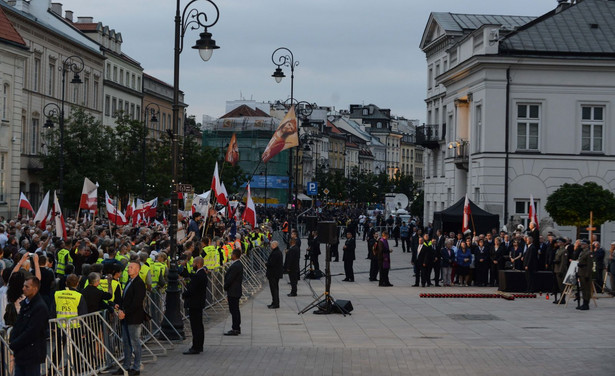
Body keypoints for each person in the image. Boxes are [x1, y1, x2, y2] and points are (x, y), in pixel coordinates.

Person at [9, 276, 49, 376]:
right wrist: (13, 338)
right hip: (21, 353)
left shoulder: (39, 307)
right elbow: (18, 324)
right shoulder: (26, 304)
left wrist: (15, 343)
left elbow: (32, 331)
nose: (23, 288)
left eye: (27, 287)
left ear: (34, 289)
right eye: (24, 286)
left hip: (31, 354)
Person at [114, 261, 146, 375]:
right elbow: (126, 298)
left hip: (134, 318)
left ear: (137, 270)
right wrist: (120, 307)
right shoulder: (129, 281)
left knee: (135, 342)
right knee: (126, 343)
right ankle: (126, 366)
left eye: (131, 267)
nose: (128, 269)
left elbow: (137, 302)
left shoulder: (139, 283)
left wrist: (125, 312)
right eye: (128, 267)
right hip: (126, 317)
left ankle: (136, 367)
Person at [182, 257, 207, 354]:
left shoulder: (199, 275)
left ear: (198, 264)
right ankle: (199, 345)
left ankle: (196, 346)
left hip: (195, 304)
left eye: (193, 263)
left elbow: (192, 290)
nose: (192, 265)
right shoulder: (201, 274)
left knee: (196, 326)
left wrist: (184, 294)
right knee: (199, 325)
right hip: (199, 303)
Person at [224, 249, 243, 336]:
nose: (231, 255)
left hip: (233, 291)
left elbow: (230, 279)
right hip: (235, 290)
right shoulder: (237, 264)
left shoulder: (236, 265)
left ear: (235, 255)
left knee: (234, 310)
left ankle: (235, 328)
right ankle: (236, 327)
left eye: (232, 254)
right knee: (235, 310)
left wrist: (225, 286)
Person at [266, 241, 284, 309]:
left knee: (274, 289)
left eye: (271, 245)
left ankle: (275, 303)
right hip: (275, 273)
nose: (270, 246)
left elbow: (272, 263)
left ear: (274, 245)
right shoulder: (277, 252)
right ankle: (274, 302)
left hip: (273, 274)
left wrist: (266, 264)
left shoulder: (276, 253)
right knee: (274, 289)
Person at [576, 240, 592, 310]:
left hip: (585, 272)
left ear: (587, 245)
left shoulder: (589, 253)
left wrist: (587, 275)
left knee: (586, 289)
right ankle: (584, 302)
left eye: (583, 244)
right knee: (583, 288)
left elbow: (589, 265)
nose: (582, 245)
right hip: (581, 272)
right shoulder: (582, 252)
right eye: (582, 244)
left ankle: (586, 303)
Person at [552, 238, 569, 304]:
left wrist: (561, 271)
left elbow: (563, 262)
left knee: (562, 286)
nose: (558, 243)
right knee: (559, 285)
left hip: (560, 270)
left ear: (563, 243)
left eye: (559, 242)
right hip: (557, 269)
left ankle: (563, 299)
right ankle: (561, 298)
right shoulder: (558, 250)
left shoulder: (564, 251)